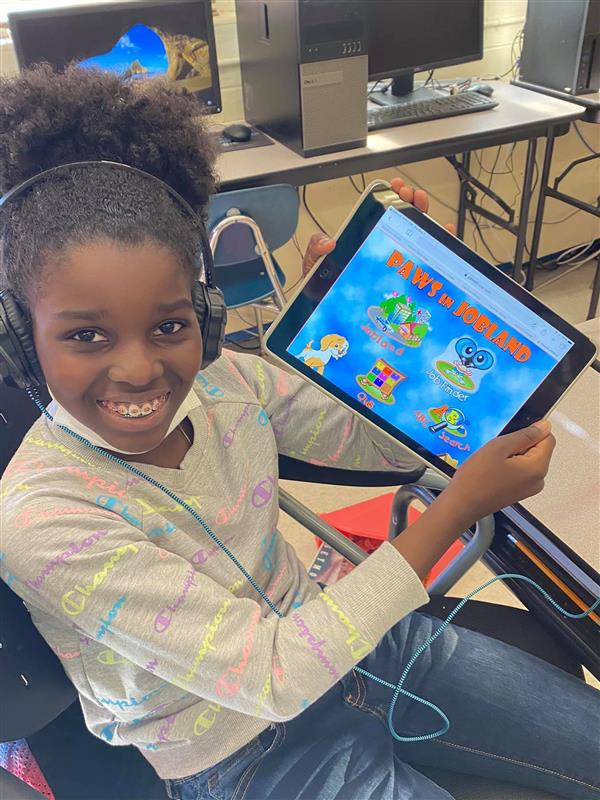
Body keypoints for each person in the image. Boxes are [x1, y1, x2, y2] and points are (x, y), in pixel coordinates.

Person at [0, 66, 597, 800]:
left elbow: (386, 445)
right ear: (20, 341)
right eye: (86, 335)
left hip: (361, 647)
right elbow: (274, 676)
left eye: (169, 325)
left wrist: (385, 322)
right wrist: (454, 512)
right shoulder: (41, 520)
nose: (138, 368)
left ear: (207, 317)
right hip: (244, 750)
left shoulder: (226, 382)